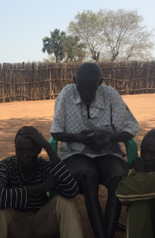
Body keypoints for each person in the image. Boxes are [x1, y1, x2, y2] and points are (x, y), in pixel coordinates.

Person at [50, 63, 139, 238]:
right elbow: (55, 131)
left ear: (100, 83)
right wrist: (78, 138)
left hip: (108, 153)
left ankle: (106, 234)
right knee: (88, 176)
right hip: (75, 153)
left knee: (118, 180)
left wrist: (110, 138)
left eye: (91, 89)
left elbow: (131, 126)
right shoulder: (67, 94)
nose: (86, 93)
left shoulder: (110, 94)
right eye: (81, 88)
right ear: (74, 81)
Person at [0, 126, 83, 238]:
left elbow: (71, 191)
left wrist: (47, 146)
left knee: (66, 203)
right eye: (20, 150)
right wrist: (42, 187)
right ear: (15, 149)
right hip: (15, 225)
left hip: (40, 223)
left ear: (38, 150)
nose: (25, 156)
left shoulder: (43, 166)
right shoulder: (6, 166)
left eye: (31, 150)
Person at [116, 128, 155, 238]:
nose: (146, 157)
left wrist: (147, 179)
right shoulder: (142, 166)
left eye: (154, 153)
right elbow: (123, 193)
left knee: (141, 189)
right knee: (138, 198)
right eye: (144, 151)